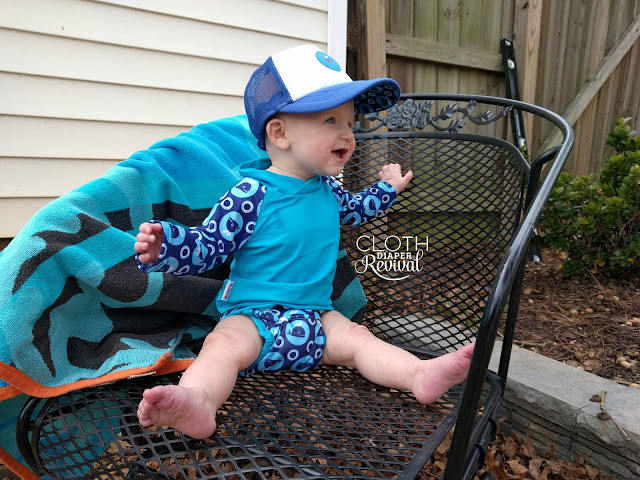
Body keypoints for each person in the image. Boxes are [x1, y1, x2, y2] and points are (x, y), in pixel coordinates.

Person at [134, 44, 474, 439]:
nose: (347, 134)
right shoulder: (251, 194)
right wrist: (167, 247)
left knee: (358, 340)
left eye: (350, 122)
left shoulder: (329, 190)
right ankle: (199, 400)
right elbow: (210, 244)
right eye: (331, 120)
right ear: (280, 133)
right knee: (221, 346)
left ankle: (417, 374)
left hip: (316, 321)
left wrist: (388, 188)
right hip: (252, 320)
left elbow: (357, 209)